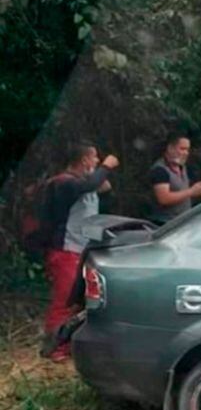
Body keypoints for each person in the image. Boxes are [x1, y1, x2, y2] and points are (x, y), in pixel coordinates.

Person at [41, 142, 119, 362]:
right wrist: (107, 166)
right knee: (64, 300)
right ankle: (54, 347)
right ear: (84, 160)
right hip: (65, 250)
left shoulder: (84, 183)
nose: (96, 161)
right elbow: (87, 186)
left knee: (78, 301)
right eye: (94, 158)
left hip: (82, 249)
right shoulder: (63, 183)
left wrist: (100, 175)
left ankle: (68, 343)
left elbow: (104, 189)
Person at [149, 135, 201, 224]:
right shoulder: (160, 170)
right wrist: (191, 191)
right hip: (164, 223)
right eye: (182, 149)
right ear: (170, 148)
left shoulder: (182, 167)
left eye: (187, 150)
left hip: (182, 222)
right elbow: (164, 198)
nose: (186, 153)